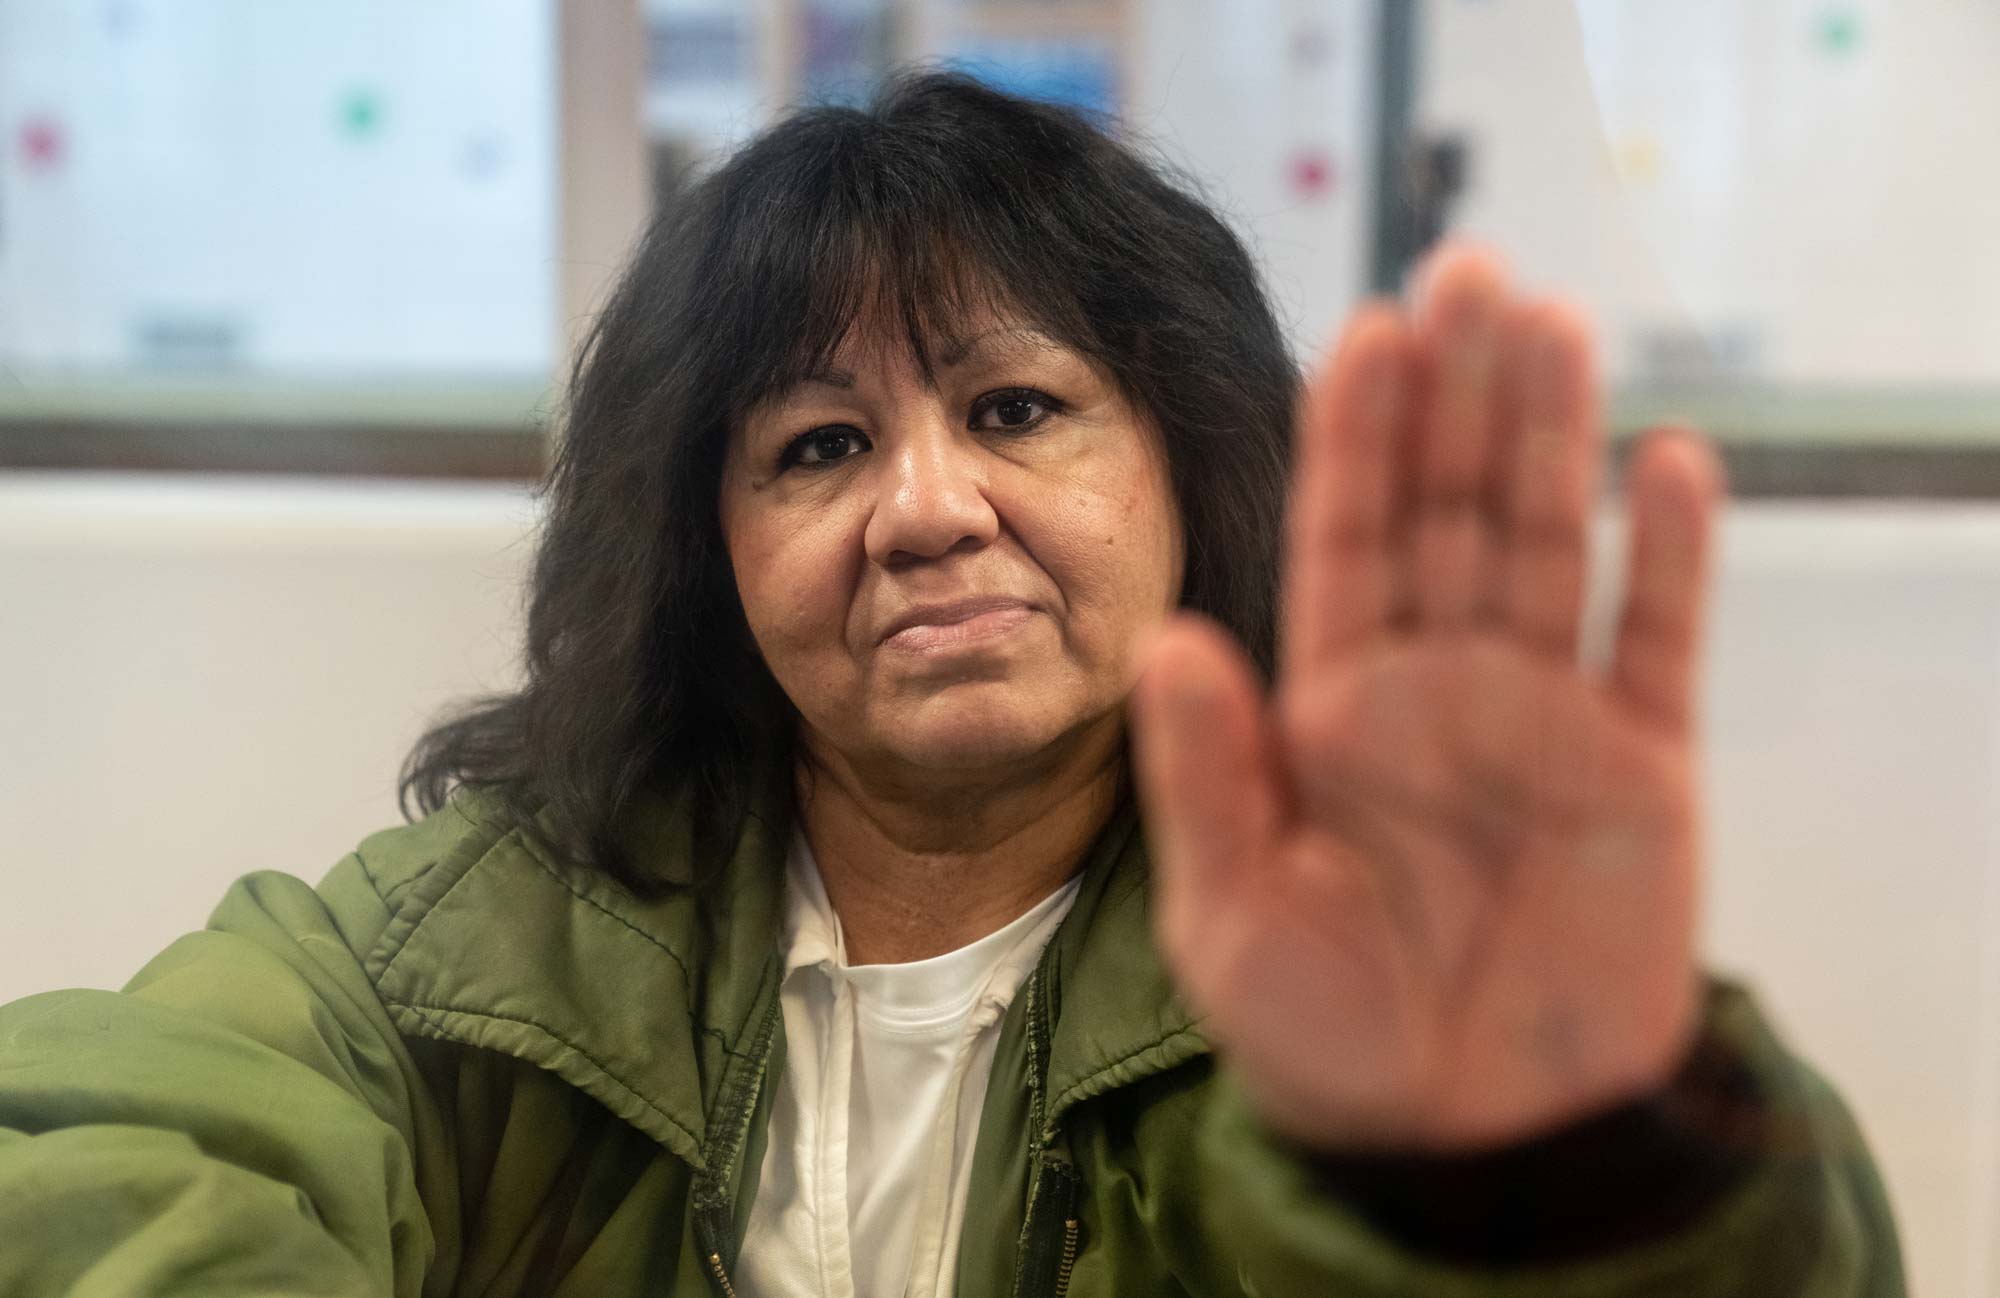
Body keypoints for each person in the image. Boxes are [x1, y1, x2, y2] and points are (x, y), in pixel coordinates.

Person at [0, 72, 1903, 1297]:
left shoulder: (1352, 947)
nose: (924, 510)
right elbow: (75, 1157)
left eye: (1015, 410)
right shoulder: (499, 924)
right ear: (706, 549)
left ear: (1191, 470)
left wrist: (1565, 1154)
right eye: (817, 446)